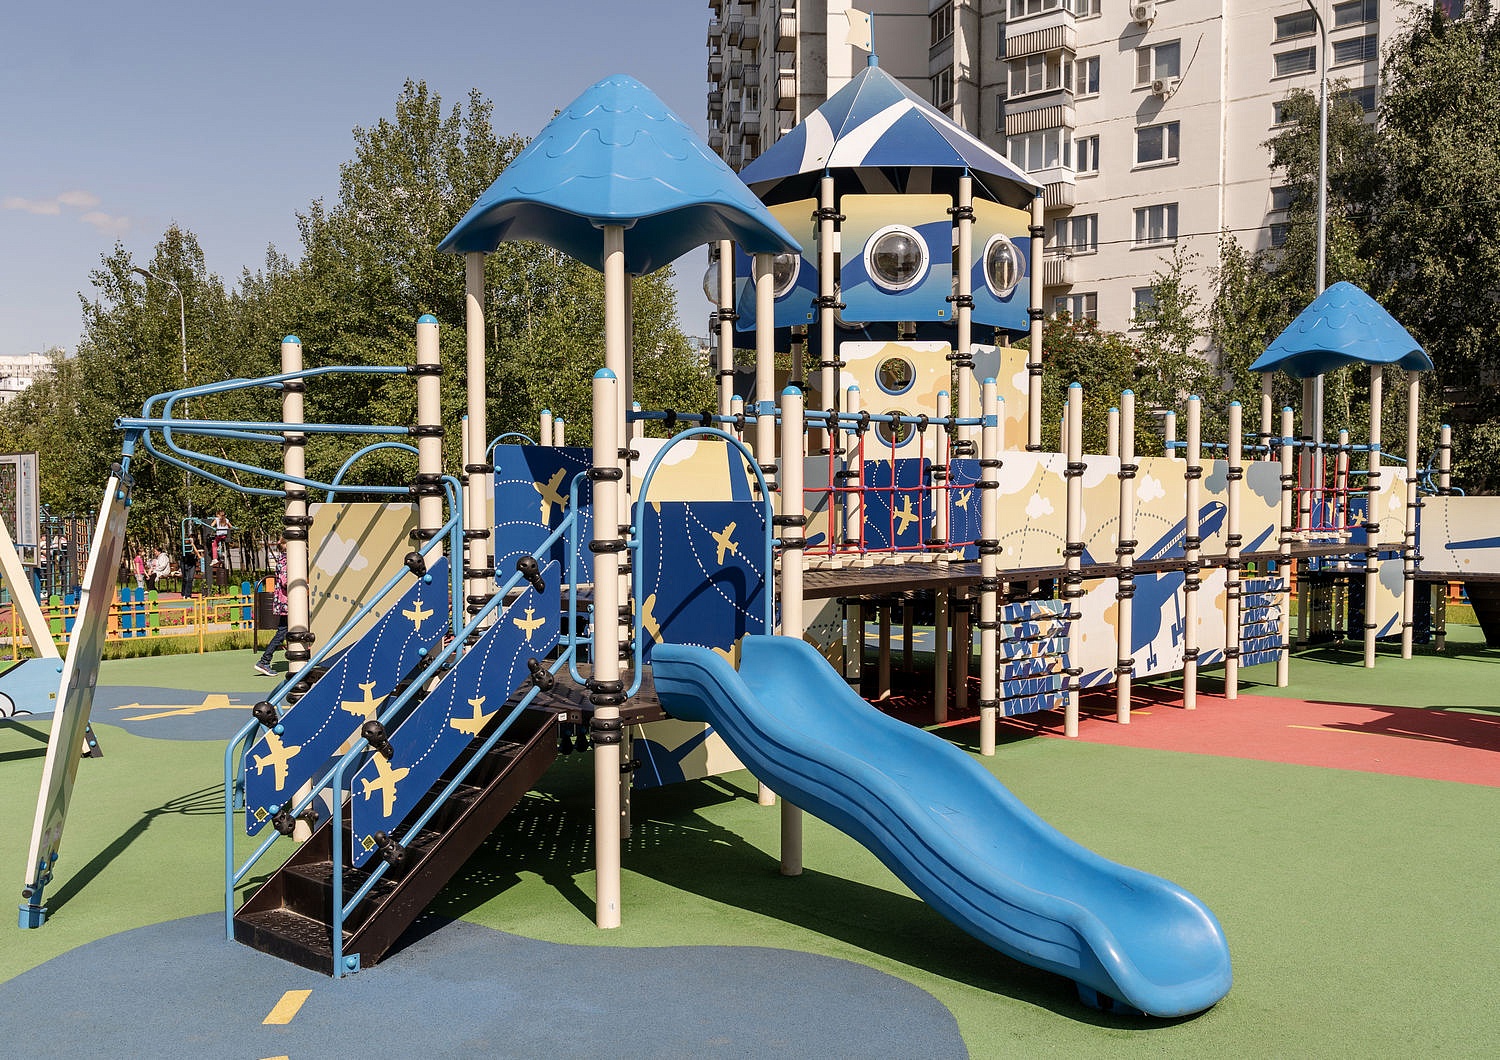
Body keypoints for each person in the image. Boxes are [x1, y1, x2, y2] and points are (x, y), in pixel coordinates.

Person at [254, 539, 288, 677]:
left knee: (284, 630)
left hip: (284, 600)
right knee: (282, 631)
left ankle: (265, 660)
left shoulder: (283, 559)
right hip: (287, 601)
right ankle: (264, 660)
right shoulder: (286, 560)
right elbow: (286, 581)